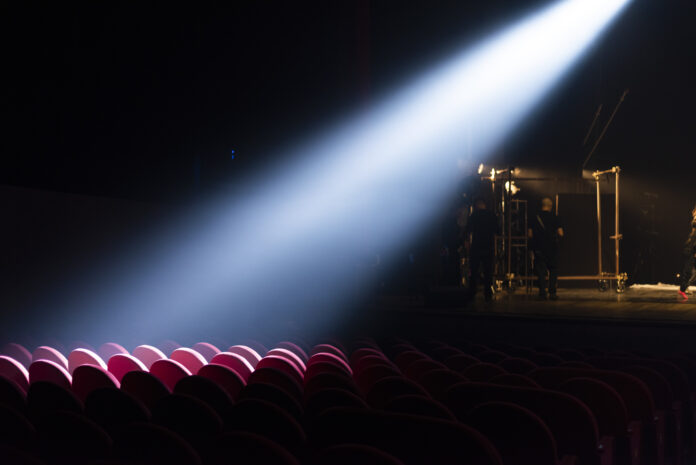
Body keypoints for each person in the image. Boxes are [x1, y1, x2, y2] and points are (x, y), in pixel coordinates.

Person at [529, 197, 564, 300]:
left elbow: (530, 234)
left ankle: (542, 293)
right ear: (550, 206)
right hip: (552, 247)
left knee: (540, 271)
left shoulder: (534, 217)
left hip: (539, 247)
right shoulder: (555, 217)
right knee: (553, 270)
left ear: (542, 205)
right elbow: (561, 233)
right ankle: (552, 293)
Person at [464, 197, 499, 301]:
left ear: (477, 205)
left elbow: (468, 230)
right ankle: (487, 293)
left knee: (473, 271)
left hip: (476, 246)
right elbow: (497, 230)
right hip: (488, 246)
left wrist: (466, 243)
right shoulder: (492, 215)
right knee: (488, 271)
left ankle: (472, 292)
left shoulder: (474, 216)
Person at [678, 205, 696, 301]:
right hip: (690, 247)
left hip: (691, 246)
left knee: (690, 271)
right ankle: (683, 289)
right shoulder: (695, 220)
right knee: (688, 270)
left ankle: (684, 288)